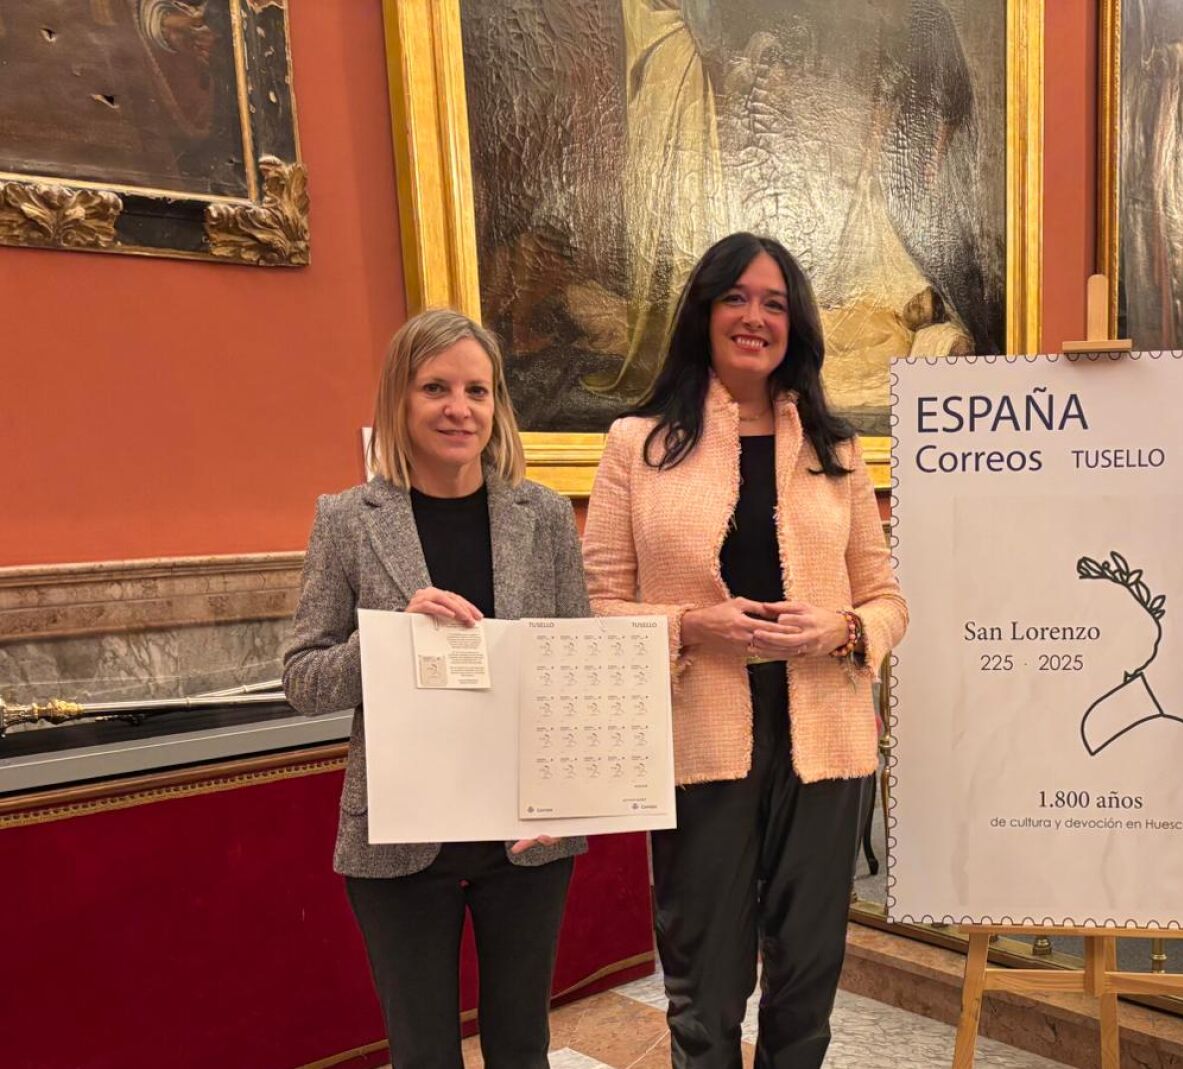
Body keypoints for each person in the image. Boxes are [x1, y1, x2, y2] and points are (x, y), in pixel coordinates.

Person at [583, 231, 907, 1068]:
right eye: (736, 297)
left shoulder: (836, 450)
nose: (754, 317)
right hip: (700, 731)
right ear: (704, 311)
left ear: (795, 324)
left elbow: (886, 599)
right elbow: (596, 608)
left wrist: (841, 629)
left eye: (774, 302)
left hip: (825, 735)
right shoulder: (636, 444)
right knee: (705, 976)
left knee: (808, 972)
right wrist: (692, 625)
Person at [283, 309, 589, 1069]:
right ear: (401, 398)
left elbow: (572, 672)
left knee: (523, 1047)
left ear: (497, 404)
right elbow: (303, 679)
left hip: (525, 834)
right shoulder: (347, 520)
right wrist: (392, 637)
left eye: (477, 390)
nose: (460, 408)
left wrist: (568, 798)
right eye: (436, 388)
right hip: (398, 835)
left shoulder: (545, 516)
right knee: (423, 1053)